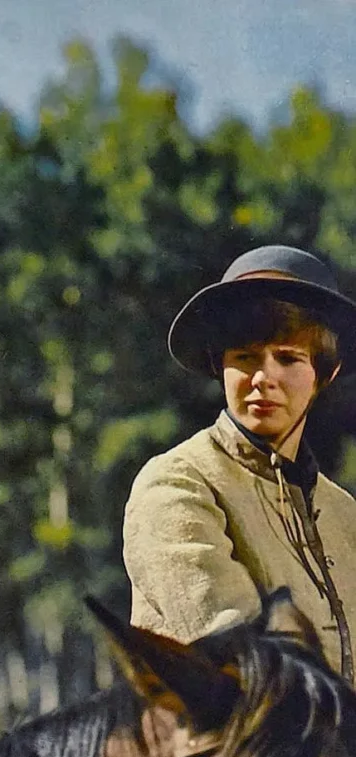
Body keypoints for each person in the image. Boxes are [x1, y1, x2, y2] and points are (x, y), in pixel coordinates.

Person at [123, 244, 356, 683]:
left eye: (288, 358)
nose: (263, 377)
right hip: (216, 747)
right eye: (245, 357)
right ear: (221, 366)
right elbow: (242, 659)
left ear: (325, 374)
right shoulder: (178, 484)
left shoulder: (345, 514)